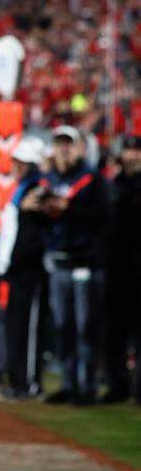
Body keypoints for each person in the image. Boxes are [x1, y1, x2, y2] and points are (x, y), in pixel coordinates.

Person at [21, 126, 109, 405]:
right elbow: (40, 223)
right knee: (64, 326)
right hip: (58, 261)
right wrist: (34, 209)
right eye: (59, 143)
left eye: (68, 144)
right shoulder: (48, 180)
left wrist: (67, 208)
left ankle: (88, 385)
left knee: (86, 327)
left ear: (79, 147)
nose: (63, 149)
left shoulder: (92, 179)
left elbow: (102, 218)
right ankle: (69, 383)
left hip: (85, 262)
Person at [0, 139, 50, 399]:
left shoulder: (40, 190)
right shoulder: (22, 189)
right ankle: (17, 379)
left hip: (31, 270)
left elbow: (33, 236)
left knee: (28, 328)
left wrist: (14, 261)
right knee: (16, 326)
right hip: (17, 269)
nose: (15, 166)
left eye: (20, 162)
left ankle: (28, 382)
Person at [103, 134, 141, 404]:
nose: (131, 156)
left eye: (136, 151)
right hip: (116, 267)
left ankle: (137, 389)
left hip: (138, 266)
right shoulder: (114, 185)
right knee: (114, 330)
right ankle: (117, 384)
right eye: (128, 151)